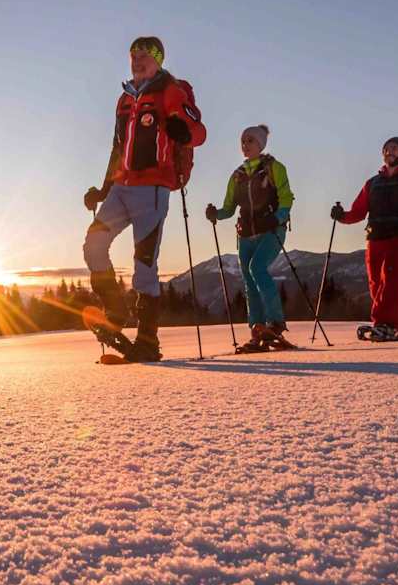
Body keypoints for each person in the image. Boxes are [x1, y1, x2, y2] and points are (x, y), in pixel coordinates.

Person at [83, 35, 206, 362]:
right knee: (93, 245)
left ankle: (148, 341)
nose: (137, 60)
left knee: (144, 266)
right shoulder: (124, 100)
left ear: (158, 60)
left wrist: (184, 133)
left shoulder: (170, 91)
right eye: (133, 55)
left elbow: (199, 131)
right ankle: (115, 311)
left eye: (145, 55)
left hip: (153, 189)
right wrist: (103, 188)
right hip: (121, 188)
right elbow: (117, 147)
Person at [330, 136, 398, 341]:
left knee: (390, 280)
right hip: (375, 237)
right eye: (386, 149)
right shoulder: (372, 183)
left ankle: (381, 323)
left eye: (395, 148)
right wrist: (341, 216)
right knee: (376, 284)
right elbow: (359, 212)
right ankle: (393, 329)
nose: (390, 151)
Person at [205, 125, 297, 352]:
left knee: (257, 268)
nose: (245, 145)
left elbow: (286, 197)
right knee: (248, 279)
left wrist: (278, 218)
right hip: (245, 233)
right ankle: (256, 329)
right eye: (243, 142)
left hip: (271, 230)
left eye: (250, 141)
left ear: (261, 144)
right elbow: (228, 208)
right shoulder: (237, 176)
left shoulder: (275, 168)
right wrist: (215, 214)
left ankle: (275, 323)